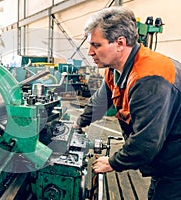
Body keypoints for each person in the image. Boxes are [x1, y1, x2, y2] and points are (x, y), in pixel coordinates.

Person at [73, 6, 181, 200]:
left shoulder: (149, 79)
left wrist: (113, 162)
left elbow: (147, 142)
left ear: (120, 43)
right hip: (165, 158)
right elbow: (101, 99)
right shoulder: (116, 68)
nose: (90, 52)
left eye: (96, 45)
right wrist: (79, 122)